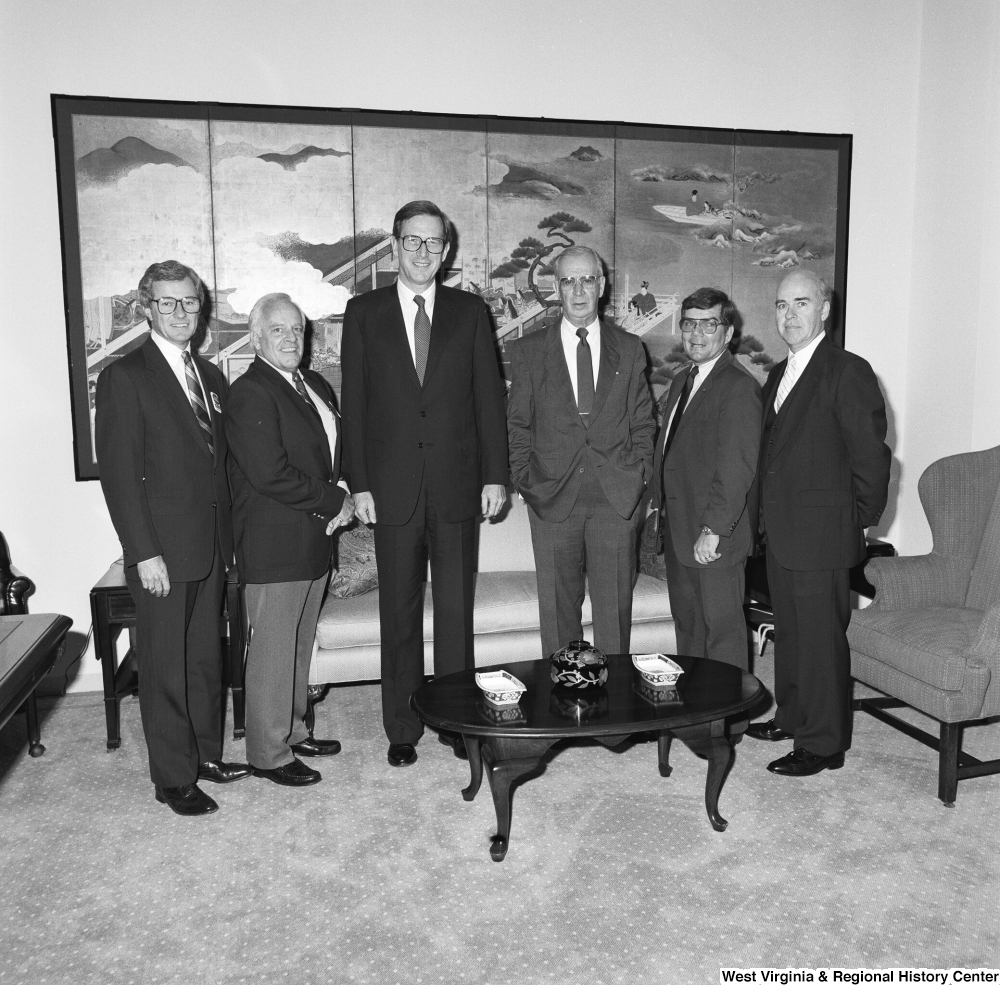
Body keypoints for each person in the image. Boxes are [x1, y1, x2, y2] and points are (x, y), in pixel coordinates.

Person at [340, 200, 508, 768]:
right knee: (400, 612)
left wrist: (495, 476)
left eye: (433, 244)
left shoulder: (469, 312)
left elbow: (489, 401)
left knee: (457, 612)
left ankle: (458, 723)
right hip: (390, 490)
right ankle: (402, 726)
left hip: (459, 486)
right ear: (394, 247)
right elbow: (354, 408)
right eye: (412, 242)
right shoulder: (363, 313)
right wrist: (358, 483)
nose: (422, 253)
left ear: (446, 250)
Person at [95, 260, 249, 817]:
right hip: (161, 550)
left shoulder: (210, 376)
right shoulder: (124, 376)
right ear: (146, 308)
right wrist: (143, 553)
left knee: (206, 657)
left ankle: (205, 755)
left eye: (190, 302)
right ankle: (172, 778)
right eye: (168, 302)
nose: (182, 313)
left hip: (209, 546)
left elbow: (218, 467)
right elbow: (120, 476)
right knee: (163, 666)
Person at [748, 270, 890, 776]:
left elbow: (871, 457)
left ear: (825, 309)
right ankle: (792, 716)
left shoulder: (846, 370)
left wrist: (861, 521)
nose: (789, 315)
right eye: (782, 305)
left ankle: (825, 743)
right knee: (791, 633)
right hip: (782, 534)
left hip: (823, 534)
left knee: (822, 642)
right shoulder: (777, 375)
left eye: (801, 303)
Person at [225, 293, 354, 788]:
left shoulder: (314, 383)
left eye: (296, 329)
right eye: (277, 330)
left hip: (313, 537)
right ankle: (267, 753)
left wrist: (342, 487)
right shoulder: (250, 392)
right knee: (274, 648)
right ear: (256, 338)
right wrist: (334, 501)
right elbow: (269, 474)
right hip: (274, 541)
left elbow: (329, 453)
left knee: (299, 643)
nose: (289, 338)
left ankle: (294, 730)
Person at [507, 246, 655, 658]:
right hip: (553, 497)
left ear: (602, 285)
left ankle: (616, 718)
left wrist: (640, 474)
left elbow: (644, 422)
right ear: (556, 287)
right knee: (557, 617)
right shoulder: (530, 351)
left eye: (587, 279)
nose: (578, 290)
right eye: (568, 280)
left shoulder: (628, 348)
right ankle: (563, 707)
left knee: (614, 616)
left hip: (615, 497)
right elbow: (517, 424)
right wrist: (524, 479)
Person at [650, 288, 762, 670]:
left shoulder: (739, 387)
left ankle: (728, 726)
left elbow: (737, 467)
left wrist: (713, 528)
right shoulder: (684, 379)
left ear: (727, 333)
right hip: (681, 529)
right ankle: (699, 720)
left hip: (714, 535)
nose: (697, 334)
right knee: (690, 629)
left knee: (722, 633)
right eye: (689, 324)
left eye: (708, 324)